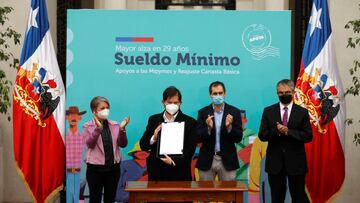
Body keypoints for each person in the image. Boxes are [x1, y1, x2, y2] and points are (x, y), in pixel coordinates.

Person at [258, 79, 313, 203]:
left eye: (287, 92)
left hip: (296, 164)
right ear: (277, 93)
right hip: (275, 164)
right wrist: (277, 131)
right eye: (281, 93)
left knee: (298, 197)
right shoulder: (268, 111)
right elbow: (262, 135)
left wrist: (288, 131)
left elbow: (308, 136)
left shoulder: (302, 112)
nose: (284, 95)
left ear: (293, 92)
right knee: (277, 198)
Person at [140, 86, 198, 181]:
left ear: (180, 103)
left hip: (179, 172)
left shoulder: (190, 122)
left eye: (175, 103)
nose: (172, 105)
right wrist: (153, 138)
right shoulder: (153, 120)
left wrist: (173, 162)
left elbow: (190, 149)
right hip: (157, 173)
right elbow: (143, 145)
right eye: (169, 102)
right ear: (163, 102)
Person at [83, 96, 130, 203]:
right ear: (94, 111)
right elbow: (90, 144)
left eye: (107, 108)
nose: (106, 110)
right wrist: (98, 129)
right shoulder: (87, 126)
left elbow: (123, 144)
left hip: (113, 169)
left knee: (110, 198)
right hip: (95, 170)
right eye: (102, 108)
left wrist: (122, 129)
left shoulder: (115, 125)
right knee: (95, 199)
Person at [196, 81, 243, 181]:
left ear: (225, 93)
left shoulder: (234, 112)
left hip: (228, 160)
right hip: (207, 159)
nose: (218, 96)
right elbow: (198, 137)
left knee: (228, 195)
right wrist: (208, 128)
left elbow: (238, 137)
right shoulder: (203, 112)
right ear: (210, 95)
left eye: (220, 93)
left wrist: (229, 127)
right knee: (206, 195)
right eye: (215, 93)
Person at [65, 106, 86, 203]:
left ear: (79, 118)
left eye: (76, 115)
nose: (73, 117)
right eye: (70, 115)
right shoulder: (63, 138)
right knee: (68, 197)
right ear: (67, 118)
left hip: (79, 173)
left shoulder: (83, 138)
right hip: (67, 173)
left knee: (77, 197)